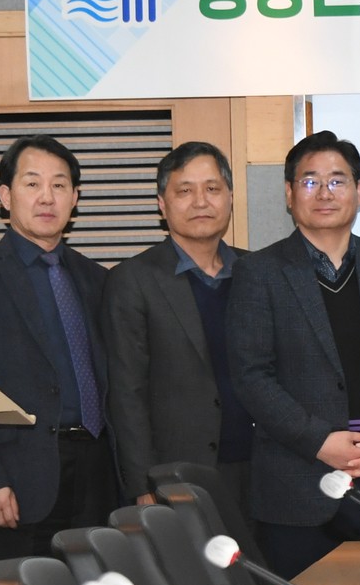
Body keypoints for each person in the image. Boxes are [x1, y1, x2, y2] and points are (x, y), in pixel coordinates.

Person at [228, 131, 360, 578]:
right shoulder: (258, 273)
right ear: (289, 193)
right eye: (310, 181)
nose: (324, 193)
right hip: (297, 489)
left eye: (337, 181)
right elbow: (252, 377)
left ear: (359, 191)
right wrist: (320, 442)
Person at [0, 135, 117, 563]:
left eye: (59, 185)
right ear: (6, 196)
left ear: (75, 198)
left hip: (98, 478)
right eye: (32, 183)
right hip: (16, 483)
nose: (46, 197)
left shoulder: (98, 280)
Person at [102, 141, 253, 519]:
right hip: (176, 477)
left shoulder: (258, 272)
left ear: (230, 197)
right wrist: (143, 485)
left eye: (212, 188)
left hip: (261, 473)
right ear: (162, 204)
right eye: (185, 191)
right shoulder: (132, 280)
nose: (201, 201)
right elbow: (126, 393)